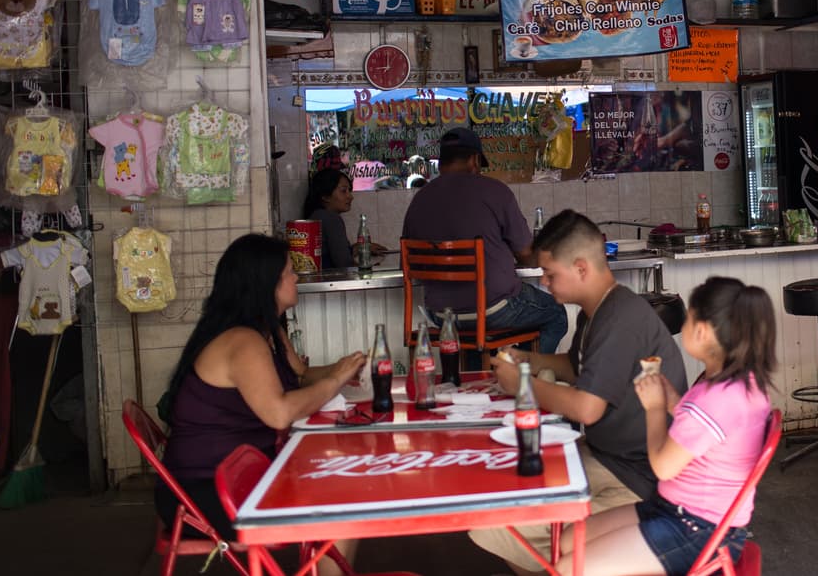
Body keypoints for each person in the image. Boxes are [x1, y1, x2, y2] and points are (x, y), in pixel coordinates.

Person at [473, 209, 687, 575]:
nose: (544, 283)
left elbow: (587, 408)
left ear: (582, 268)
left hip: (638, 477)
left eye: (550, 274)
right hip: (608, 457)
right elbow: (578, 368)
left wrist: (521, 384)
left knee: (494, 521)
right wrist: (528, 360)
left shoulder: (620, 317)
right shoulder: (597, 310)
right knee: (500, 496)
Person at [157, 234, 366, 576]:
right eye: (289, 272)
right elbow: (280, 412)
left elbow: (298, 377)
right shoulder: (243, 341)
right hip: (207, 492)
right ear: (266, 284)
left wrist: (343, 367)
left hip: (240, 475)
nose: (296, 278)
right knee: (339, 501)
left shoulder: (268, 329)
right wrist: (334, 381)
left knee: (340, 483)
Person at [558, 276, 775, 576]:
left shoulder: (717, 400)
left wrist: (655, 410)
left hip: (697, 530)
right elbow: (706, 434)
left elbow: (662, 467)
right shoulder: (740, 384)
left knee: (570, 567)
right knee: (569, 540)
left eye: (687, 321)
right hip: (676, 509)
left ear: (700, 331)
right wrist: (673, 401)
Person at [402, 127, 567, 354]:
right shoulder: (495, 191)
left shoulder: (419, 200)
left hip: (440, 314)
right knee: (556, 313)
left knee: (474, 338)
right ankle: (528, 378)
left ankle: (481, 379)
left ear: (441, 163)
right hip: (495, 308)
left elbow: (409, 265)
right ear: (474, 160)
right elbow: (528, 255)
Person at [303, 168, 355, 270]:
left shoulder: (317, 215)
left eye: (349, 190)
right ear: (325, 196)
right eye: (343, 191)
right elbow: (344, 264)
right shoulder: (331, 218)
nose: (350, 196)